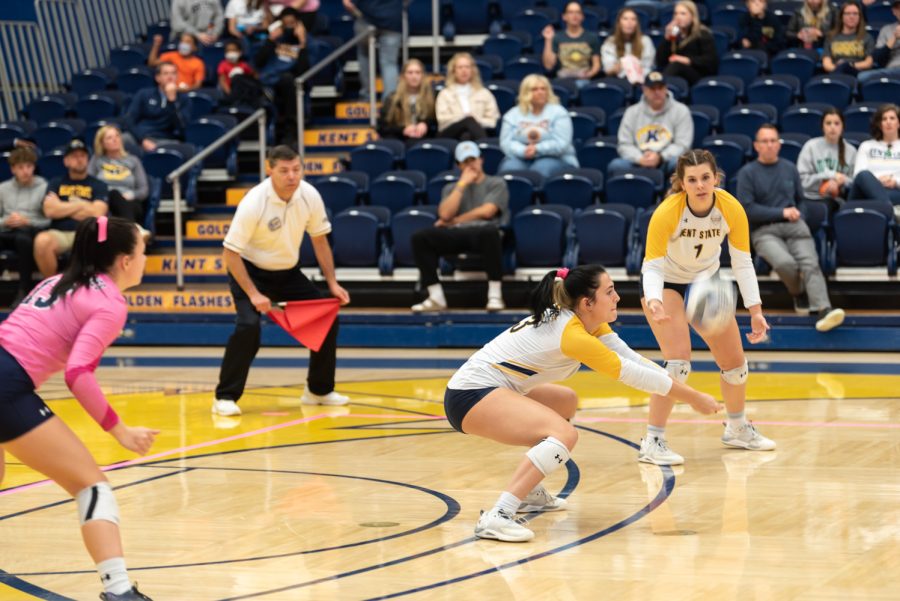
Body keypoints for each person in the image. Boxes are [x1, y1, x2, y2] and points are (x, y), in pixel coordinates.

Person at [445, 264, 721, 542]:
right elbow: (630, 374)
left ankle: (529, 491)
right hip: (469, 396)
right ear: (587, 303)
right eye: (610, 292)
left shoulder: (587, 322)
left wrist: (685, 390)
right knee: (564, 434)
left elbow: (633, 359)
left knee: (565, 402)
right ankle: (499, 515)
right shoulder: (573, 334)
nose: (617, 298)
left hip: (491, 389)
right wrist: (693, 398)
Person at [0, 216, 158, 601]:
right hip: (6, 383)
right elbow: (78, 373)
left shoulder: (55, 281)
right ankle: (119, 590)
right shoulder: (108, 302)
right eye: (142, 251)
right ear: (124, 261)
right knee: (93, 487)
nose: (145, 259)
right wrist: (119, 430)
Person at [640, 149, 775, 466]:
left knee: (736, 364)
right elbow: (652, 266)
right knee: (678, 364)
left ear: (716, 178)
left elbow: (742, 263)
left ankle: (738, 428)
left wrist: (755, 310)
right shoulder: (668, 212)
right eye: (692, 179)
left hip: (707, 283)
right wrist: (655, 300)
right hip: (667, 285)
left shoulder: (730, 208)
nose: (700, 185)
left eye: (705, 178)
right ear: (681, 183)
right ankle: (653, 439)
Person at [213, 146, 351, 417]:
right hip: (249, 271)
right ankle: (225, 397)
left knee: (327, 318)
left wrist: (332, 283)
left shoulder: (309, 195)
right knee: (248, 327)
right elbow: (230, 253)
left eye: (296, 169)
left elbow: (320, 240)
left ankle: (318, 391)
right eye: (284, 170)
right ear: (269, 169)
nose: (292, 176)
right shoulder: (254, 201)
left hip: (288, 272)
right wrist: (253, 294)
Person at [737, 124, 846, 330]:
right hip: (764, 230)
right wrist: (782, 212)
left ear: (778, 144)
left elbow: (801, 199)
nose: (769, 145)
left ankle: (824, 310)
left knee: (810, 263)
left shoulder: (789, 168)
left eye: (773, 141)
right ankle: (799, 293)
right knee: (785, 263)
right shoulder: (747, 173)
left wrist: (801, 214)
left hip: (795, 226)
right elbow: (747, 209)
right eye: (764, 141)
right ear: (756, 146)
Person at [410, 142, 509, 313]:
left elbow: (488, 211)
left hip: (483, 232)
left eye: (473, 159)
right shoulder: (452, 187)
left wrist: (455, 221)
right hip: (457, 234)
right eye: (465, 161)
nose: (470, 164)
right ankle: (435, 297)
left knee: (490, 232)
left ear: (481, 160)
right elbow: (445, 215)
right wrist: (462, 184)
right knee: (420, 237)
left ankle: (495, 294)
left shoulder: (496, 183)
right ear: (458, 165)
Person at [34, 139, 109, 278]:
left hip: (88, 233)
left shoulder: (99, 185)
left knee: (102, 241)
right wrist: (82, 204)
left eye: (82, 156)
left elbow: (98, 212)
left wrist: (62, 206)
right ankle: (53, 289)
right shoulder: (56, 183)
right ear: (66, 161)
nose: (79, 160)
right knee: (41, 241)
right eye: (74, 156)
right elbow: (50, 211)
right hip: (60, 233)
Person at [608, 70, 693, 177]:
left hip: (665, 161)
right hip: (638, 161)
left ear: (666, 88)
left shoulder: (681, 110)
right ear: (644, 90)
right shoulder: (632, 112)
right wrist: (639, 158)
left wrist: (660, 156)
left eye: (660, 88)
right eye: (652, 88)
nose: (657, 92)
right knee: (616, 166)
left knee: (679, 163)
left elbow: (683, 145)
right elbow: (624, 144)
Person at [498, 74, 578, 178]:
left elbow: (562, 143)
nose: (540, 92)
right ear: (525, 93)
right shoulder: (512, 115)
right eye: (534, 89)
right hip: (520, 157)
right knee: (509, 168)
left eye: (543, 89)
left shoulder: (559, 112)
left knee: (540, 168)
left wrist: (537, 149)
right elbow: (506, 143)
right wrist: (523, 151)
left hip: (557, 158)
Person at [254, 8, 310, 145]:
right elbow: (258, 62)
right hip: (268, 81)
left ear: (298, 24)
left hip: (289, 85)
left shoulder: (307, 43)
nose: (289, 27)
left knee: (287, 79)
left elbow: (304, 71)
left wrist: (303, 43)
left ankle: (290, 131)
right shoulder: (274, 40)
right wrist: (271, 40)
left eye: (292, 23)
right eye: (286, 24)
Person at [0, 147, 48, 305]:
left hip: (29, 231)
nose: (25, 171)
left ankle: (24, 289)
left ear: (34, 167)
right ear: (13, 169)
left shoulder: (43, 186)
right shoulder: (3, 189)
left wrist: (28, 221)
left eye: (29, 166)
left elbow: (48, 221)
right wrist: (5, 222)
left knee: (23, 240)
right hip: (6, 230)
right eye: (20, 167)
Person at [88, 125, 151, 239]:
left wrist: (132, 195)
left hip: (130, 204)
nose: (115, 139)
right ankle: (134, 231)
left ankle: (130, 233)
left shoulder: (133, 160)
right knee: (113, 194)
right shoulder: (96, 160)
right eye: (109, 137)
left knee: (116, 196)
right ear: (102, 143)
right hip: (104, 204)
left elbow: (144, 189)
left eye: (117, 136)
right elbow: (88, 183)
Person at [797, 109, 857, 214]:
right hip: (810, 197)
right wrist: (830, 176)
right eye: (828, 123)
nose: (832, 127)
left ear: (842, 127)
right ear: (822, 127)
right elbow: (801, 180)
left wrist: (841, 182)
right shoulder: (811, 146)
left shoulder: (851, 151)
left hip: (837, 200)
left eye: (836, 123)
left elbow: (855, 182)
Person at [123, 62, 192, 152]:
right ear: (157, 78)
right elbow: (129, 119)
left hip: (166, 139)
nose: (170, 77)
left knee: (181, 149)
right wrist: (142, 140)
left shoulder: (184, 99)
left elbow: (182, 127)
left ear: (177, 76)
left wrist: (172, 101)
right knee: (121, 140)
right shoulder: (144, 94)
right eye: (166, 73)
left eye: (173, 73)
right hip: (141, 136)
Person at [435, 52, 500, 141]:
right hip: (449, 133)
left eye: (467, 67)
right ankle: (484, 147)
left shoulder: (484, 93)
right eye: (460, 67)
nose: (464, 70)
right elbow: (442, 121)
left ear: (472, 70)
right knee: (468, 121)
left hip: (476, 131)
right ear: (454, 71)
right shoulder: (445, 94)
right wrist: (463, 118)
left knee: (467, 134)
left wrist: (476, 120)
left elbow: (494, 121)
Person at [344, 0, 402, 99]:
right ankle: (389, 102)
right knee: (389, 63)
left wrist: (357, 12)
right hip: (392, 18)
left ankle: (367, 95)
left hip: (366, 18)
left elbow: (348, 3)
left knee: (365, 56)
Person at [656, 0, 718, 85]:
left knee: (676, 65)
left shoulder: (702, 33)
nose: (678, 17)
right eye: (676, 13)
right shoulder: (674, 34)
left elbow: (710, 61)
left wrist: (687, 60)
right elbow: (660, 61)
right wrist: (667, 39)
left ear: (692, 17)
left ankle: (660, 87)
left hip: (698, 74)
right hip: (677, 75)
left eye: (683, 14)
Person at [541, 1, 602, 87]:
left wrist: (588, 75)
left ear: (582, 16)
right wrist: (548, 40)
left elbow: (596, 65)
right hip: (562, 80)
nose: (574, 15)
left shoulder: (592, 37)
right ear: (564, 17)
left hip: (583, 80)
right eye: (570, 12)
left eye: (578, 12)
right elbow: (548, 66)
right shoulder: (557, 37)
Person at [377, 59, 436, 145]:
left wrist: (426, 125)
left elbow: (438, 123)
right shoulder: (392, 98)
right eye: (410, 72)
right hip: (400, 140)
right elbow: (382, 127)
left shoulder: (433, 96)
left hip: (425, 139)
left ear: (423, 76)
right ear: (403, 76)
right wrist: (403, 130)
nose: (414, 76)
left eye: (417, 72)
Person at [852, 103, 900, 207]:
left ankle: (888, 209)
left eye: (892, 118)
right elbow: (858, 175)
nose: (888, 122)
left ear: (898, 123)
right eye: (884, 119)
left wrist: (895, 181)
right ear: (879, 124)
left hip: (896, 191)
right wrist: (877, 181)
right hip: (867, 192)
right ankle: (892, 212)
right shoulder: (866, 146)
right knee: (864, 174)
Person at [601, 7, 656, 85]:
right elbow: (608, 69)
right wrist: (620, 67)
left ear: (637, 23)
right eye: (625, 19)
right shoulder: (610, 42)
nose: (629, 22)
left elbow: (648, 66)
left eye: (633, 19)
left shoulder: (645, 40)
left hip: (641, 80)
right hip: (618, 79)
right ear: (619, 22)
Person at [822, 0, 875, 76]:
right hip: (836, 72)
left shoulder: (867, 37)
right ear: (841, 16)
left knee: (845, 66)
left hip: (857, 73)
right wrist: (838, 69)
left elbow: (868, 63)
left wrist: (850, 65)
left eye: (855, 14)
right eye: (848, 13)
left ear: (860, 17)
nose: (851, 17)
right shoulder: (831, 37)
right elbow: (826, 63)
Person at [859, 0, 900, 84]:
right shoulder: (886, 30)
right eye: (899, 8)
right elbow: (878, 59)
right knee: (862, 77)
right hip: (891, 71)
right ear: (894, 11)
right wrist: (894, 38)